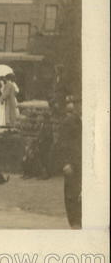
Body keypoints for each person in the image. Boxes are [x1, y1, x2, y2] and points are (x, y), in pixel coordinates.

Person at [57, 97, 82, 229]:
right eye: (79, 104)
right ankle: (75, 223)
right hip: (72, 164)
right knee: (72, 193)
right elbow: (62, 143)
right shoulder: (69, 122)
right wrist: (65, 163)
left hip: (85, 164)